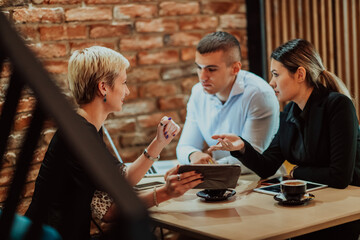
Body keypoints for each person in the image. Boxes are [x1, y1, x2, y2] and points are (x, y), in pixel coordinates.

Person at [25, 46, 203, 240]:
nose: (127, 90)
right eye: (124, 83)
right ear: (103, 87)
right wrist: (166, 189)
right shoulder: (79, 134)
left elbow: (106, 210)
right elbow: (124, 180)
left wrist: (160, 146)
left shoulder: (86, 128)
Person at [208, 39, 360, 239]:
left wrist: (295, 172)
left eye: (276, 74)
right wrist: (241, 147)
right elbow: (267, 166)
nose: (271, 82)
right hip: (311, 204)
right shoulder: (290, 110)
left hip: (344, 209)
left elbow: (340, 177)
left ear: (300, 74)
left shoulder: (338, 106)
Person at [176, 31, 280, 173]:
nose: (202, 77)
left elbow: (254, 157)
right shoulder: (198, 93)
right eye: (199, 68)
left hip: (261, 181)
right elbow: (184, 146)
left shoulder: (259, 94)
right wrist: (194, 155)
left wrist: (210, 166)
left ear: (235, 68)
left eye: (211, 69)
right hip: (218, 178)